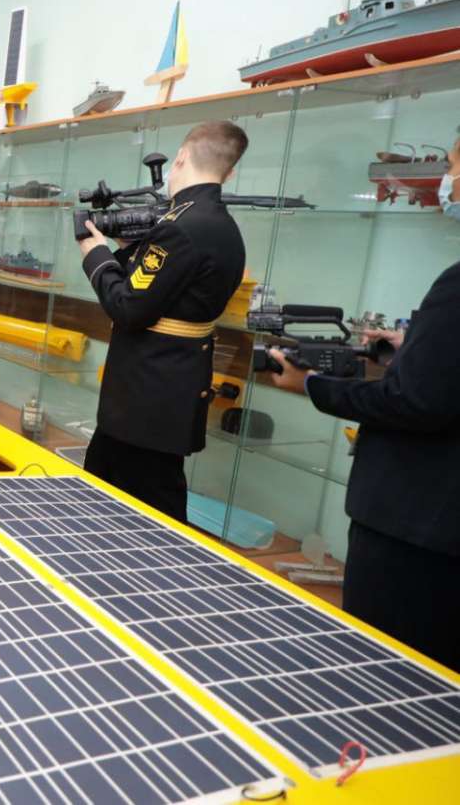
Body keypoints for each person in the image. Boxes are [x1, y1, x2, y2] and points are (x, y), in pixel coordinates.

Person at [264, 157, 460, 669]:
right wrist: (416, 346)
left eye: (452, 166)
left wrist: (313, 384)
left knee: (384, 671)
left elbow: (416, 403)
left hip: (417, 532)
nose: (447, 182)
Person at [75, 120, 249, 523]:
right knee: (133, 495)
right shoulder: (219, 225)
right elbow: (167, 290)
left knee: (141, 510)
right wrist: (128, 251)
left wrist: (95, 253)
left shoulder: (180, 228)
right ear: (229, 172)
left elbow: (129, 307)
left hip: (147, 395)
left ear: (182, 157)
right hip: (169, 387)